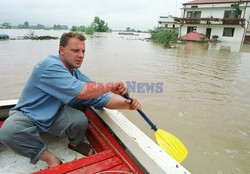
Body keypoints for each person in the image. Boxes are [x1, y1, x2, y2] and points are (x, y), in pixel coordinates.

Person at [0, 32, 141, 168]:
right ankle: (51, 159)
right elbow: (83, 91)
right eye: (75, 50)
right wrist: (111, 86)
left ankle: (76, 144)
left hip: (54, 114)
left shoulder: (75, 73)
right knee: (8, 131)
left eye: (83, 51)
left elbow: (101, 98)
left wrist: (126, 105)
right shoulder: (49, 65)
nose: (80, 55)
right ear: (61, 50)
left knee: (80, 120)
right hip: (29, 113)